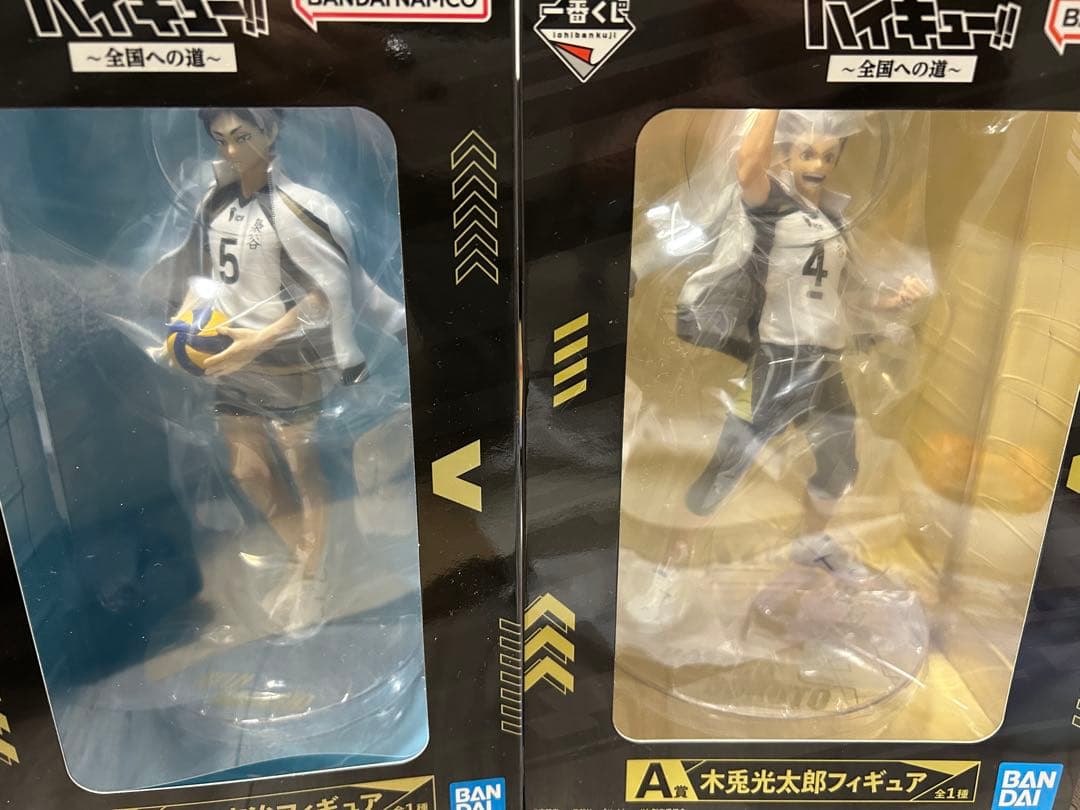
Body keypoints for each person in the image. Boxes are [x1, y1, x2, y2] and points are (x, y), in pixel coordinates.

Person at [629, 109, 929, 627]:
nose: (818, 164)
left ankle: (809, 548)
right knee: (727, 467)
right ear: (786, 156)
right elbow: (748, 165)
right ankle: (670, 566)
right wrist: (769, 99)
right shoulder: (771, 207)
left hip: (824, 363)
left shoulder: (835, 223)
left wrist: (894, 301)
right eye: (807, 153)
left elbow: (845, 299)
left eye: (828, 155)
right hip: (777, 361)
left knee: (839, 465)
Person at [147, 108, 405, 628]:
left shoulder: (297, 207)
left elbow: (325, 295)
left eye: (242, 136)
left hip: (289, 360)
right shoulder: (214, 201)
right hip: (228, 355)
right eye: (220, 139)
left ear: (273, 131)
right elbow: (202, 276)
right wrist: (182, 330)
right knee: (247, 471)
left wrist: (259, 341)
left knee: (302, 468)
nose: (231, 150)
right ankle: (307, 556)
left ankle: (312, 577)